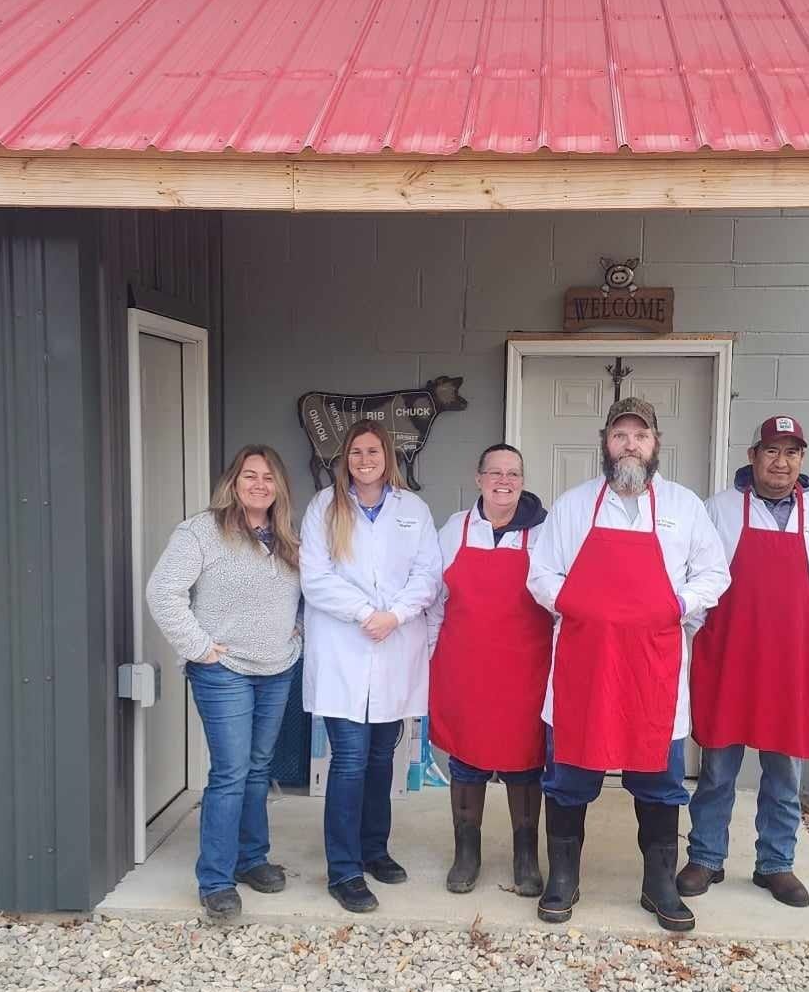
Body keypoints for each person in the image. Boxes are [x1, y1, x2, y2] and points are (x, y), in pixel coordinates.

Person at [528, 398, 730, 933]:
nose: (630, 444)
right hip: (584, 666)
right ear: (605, 442)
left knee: (660, 781)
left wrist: (676, 606)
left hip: (655, 670)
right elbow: (540, 574)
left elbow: (715, 574)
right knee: (569, 776)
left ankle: (658, 882)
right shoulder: (573, 506)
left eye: (640, 435)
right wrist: (575, 603)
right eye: (621, 435)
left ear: (656, 443)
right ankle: (564, 877)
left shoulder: (685, 508)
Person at [683, 415, 809, 907]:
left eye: (792, 452)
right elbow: (694, 573)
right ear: (752, 455)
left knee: (785, 772)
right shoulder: (718, 510)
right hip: (730, 656)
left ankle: (776, 863)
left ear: (801, 459)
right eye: (772, 451)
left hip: (795, 660)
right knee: (718, 766)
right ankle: (705, 857)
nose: (781, 462)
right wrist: (700, 637)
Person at [145, 445, 302, 924]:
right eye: (249, 475)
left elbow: (304, 596)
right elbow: (163, 591)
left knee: (258, 767)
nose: (259, 485)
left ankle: (251, 858)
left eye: (269, 477)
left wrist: (297, 632)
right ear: (233, 482)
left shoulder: (287, 538)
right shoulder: (202, 532)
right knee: (231, 771)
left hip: (277, 667)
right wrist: (199, 647)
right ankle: (215, 879)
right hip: (223, 672)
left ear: (279, 488)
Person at [300, 419, 441, 914]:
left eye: (373, 451)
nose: (365, 460)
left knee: (384, 757)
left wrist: (396, 615)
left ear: (388, 457)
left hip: (395, 646)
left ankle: (374, 850)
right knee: (351, 760)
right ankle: (344, 870)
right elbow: (315, 579)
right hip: (345, 647)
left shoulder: (413, 509)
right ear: (345, 459)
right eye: (356, 452)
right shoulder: (324, 507)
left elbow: (429, 575)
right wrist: (366, 615)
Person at [428, 444, 552, 896]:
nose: (505, 481)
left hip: (526, 668)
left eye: (514, 473)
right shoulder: (454, 529)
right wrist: (428, 656)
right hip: (465, 666)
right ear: (478, 478)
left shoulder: (544, 532)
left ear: (523, 479)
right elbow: (432, 598)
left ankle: (525, 856)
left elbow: (559, 600)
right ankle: (467, 853)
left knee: (525, 763)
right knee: (466, 760)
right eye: (495, 472)